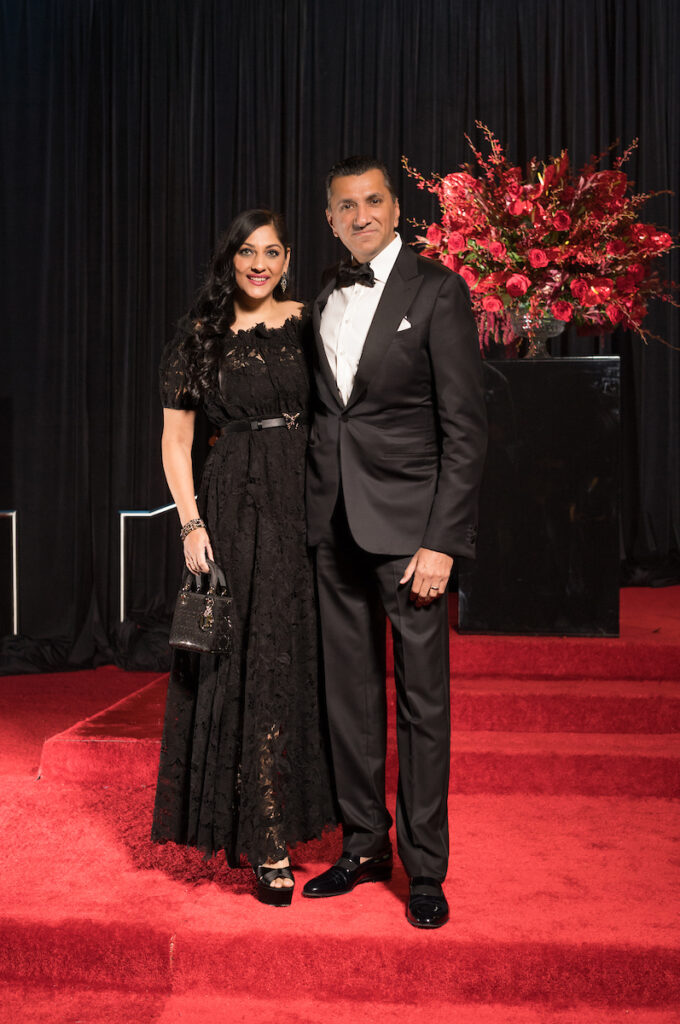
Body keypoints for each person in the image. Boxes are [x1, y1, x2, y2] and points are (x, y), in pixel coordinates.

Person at [302, 157, 487, 927]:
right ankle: (364, 843)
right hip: (331, 524)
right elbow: (326, 417)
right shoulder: (320, 296)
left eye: (373, 199)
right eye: (346, 205)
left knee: (420, 703)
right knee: (347, 700)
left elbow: (465, 431)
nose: (361, 213)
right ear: (331, 218)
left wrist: (444, 540)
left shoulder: (438, 290)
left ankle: (426, 868)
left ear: (394, 206)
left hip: (412, 536)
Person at [151, 209, 336, 906]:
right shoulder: (199, 336)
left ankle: (295, 815)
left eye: (273, 252)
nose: (260, 264)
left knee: (294, 661)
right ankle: (264, 837)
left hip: (306, 504)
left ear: (287, 259)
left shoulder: (310, 322)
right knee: (249, 663)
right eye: (247, 252)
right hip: (233, 508)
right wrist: (191, 524)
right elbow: (175, 441)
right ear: (229, 259)